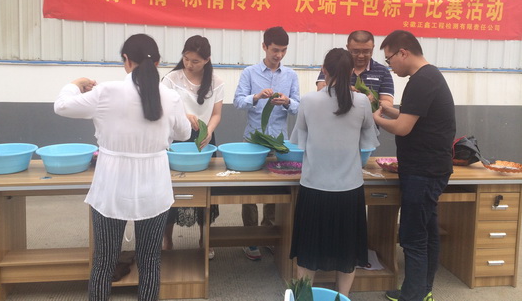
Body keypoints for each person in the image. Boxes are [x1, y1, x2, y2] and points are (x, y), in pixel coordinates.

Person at [54, 34, 191, 301]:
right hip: (154, 186)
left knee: (104, 261)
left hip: (111, 186)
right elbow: (184, 134)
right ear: (158, 62)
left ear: (126, 60)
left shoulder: (106, 92)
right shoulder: (171, 97)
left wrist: (74, 85)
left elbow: (61, 106)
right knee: (150, 261)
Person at [372, 30, 455, 301]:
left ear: (403, 53)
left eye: (389, 60)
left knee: (413, 236)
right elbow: (413, 117)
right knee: (427, 232)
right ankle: (422, 290)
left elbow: (403, 128)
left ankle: (413, 296)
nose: (390, 66)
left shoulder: (421, 80)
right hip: (430, 168)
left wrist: (377, 119)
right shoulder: (429, 76)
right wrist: (389, 110)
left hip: (423, 172)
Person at [289, 48, 379, 297]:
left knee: (308, 249)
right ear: (352, 72)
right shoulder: (362, 102)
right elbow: (368, 142)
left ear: (324, 70)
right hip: (349, 188)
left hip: (314, 186)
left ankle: (304, 296)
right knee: (347, 250)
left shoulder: (309, 100)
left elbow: (300, 142)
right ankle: (343, 297)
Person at [233, 26, 300, 261]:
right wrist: (257, 97)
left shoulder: (291, 75)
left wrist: (287, 102)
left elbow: (299, 107)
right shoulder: (249, 73)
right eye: (275, 50)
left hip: (279, 141)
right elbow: (238, 101)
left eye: (283, 50)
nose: (279, 55)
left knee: (275, 190)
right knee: (249, 191)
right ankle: (250, 238)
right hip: (253, 139)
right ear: (264, 47)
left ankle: (269, 233)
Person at [161, 35, 224, 260]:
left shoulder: (216, 81)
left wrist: (209, 130)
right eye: (186, 59)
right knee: (171, 191)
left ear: (207, 60)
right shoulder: (171, 79)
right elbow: (162, 109)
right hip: (177, 137)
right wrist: (183, 115)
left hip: (203, 138)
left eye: (195, 61)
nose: (189, 64)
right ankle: (167, 239)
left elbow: (216, 114)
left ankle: (204, 239)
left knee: (205, 190)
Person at [316, 30, 394, 108]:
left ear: (373, 48)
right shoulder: (334, 65)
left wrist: (372, 100)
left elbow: (388, 102)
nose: (361, 56)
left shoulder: (383, 71)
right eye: (356, 51)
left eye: (366, 51)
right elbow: (321, 89)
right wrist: (347, 91)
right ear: (348, 47)